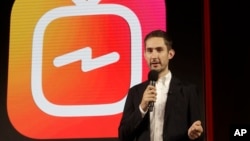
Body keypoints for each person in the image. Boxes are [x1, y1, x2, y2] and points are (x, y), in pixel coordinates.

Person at [118, 30, 204, 141]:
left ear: (170, 54)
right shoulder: (135, 92)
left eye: (159, 50)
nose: (154, 56)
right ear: (144, 55)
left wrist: (193, 135)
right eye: (149, 51)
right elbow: (123, 136)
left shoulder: (188, 91)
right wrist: (142, 108)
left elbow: (199, 133)